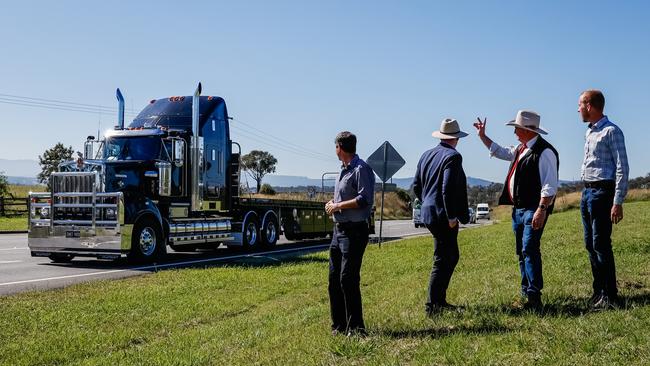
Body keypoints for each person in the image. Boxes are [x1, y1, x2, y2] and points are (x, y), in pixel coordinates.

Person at [474, 110, 558, 311]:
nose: (515, 133)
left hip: (533, 209)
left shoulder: (544, 152)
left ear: (529, 130)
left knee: (529, 249)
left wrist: (541, 209)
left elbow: (550, 185)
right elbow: (500, 151)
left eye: (517, 129)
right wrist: (483, 137)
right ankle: (526, 291)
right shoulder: (521, 149)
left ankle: (534, 296)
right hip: (519, 210)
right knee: (522, 251)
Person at [412, 118, 469, 316]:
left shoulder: (426, 155)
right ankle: (433, 305)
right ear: (456, 138)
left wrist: (427, 201)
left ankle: (438, 301)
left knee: (446, 256)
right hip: (443, 215)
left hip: (429, 213)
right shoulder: (453, 157)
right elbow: (447, 188)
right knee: (445, 258)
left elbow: (416, 186)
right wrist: (451, 215)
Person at [578, 89, 629, 310]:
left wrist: (617, 201)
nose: (578, 109)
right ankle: (598, 291)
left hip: (602, 193)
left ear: (590, 106)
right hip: (587, 192)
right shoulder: (589, 132)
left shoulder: (611, 131)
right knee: (590, 244)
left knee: (601, 244)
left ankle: (610, 295)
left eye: (580, 104)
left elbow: (622, 167)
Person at [325, 131, 375, 336]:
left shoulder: (361, 169)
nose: (334, 151)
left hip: (355, 231)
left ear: (340, 147)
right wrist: (332, 204)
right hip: (339, 231)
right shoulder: (342, 170)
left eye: (335, 147)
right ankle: (339, 325)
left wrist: (337, 206)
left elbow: (364, 199)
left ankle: (357, 328)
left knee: (348, 279)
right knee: (334, 279)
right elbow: (343, 197)